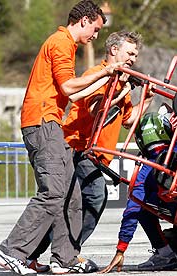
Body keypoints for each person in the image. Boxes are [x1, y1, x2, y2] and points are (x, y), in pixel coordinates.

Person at [0, 1, 123, 275]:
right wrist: (104, 71)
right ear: (85, 20)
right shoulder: (61, 42)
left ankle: (63, 259)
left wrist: (111, 81)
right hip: (43, 122)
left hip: (52, 123)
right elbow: (68, 85)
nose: (95, 36)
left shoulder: (67, 45)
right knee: (52, 192)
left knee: (71, 195)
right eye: (96, 29)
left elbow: (74, 95)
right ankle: (11, 251)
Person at [26, 30, 150, 269]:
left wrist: (147, 98)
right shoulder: (98, 76)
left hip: (96, 155)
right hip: (79, 148)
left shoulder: (119, 81)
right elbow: (97, 110)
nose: (133, 58)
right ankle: (66, 254)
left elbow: (127, 119)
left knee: (63, 208)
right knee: (95, 195)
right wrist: (122, 91)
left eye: (135, 54)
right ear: (114, 50)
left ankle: (37, 253)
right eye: (130, 52)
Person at [100, 110, 177, 273]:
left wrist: (121, 248)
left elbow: (133, 209)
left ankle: (165, 253)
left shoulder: (145, 169)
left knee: (143, 207)